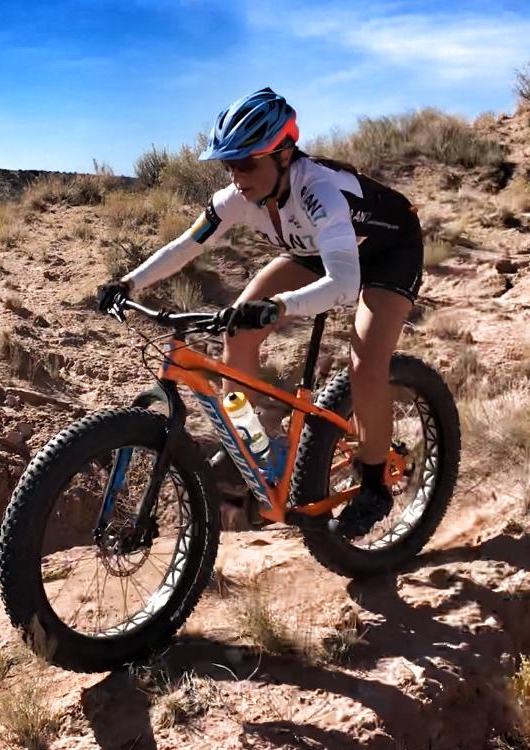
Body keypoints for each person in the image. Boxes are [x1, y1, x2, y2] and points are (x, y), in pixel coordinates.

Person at [94, 87, 424, 540]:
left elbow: (345, 286)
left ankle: (374, 483)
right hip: (315, 250)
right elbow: (187, 246)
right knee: (238, 328)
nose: (236, 174)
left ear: (284, 154)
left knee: (366, 365)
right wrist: (129, 282)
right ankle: (247, 446)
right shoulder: (236, 197)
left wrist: (278, 307)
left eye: (246, 162)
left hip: (388, 252)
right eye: (228, 164)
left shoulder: (320, 191)